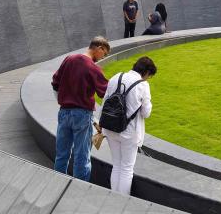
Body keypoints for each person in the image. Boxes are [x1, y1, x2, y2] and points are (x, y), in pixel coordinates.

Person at [51, 36, 110, 181]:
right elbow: (105, 93)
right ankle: (79, 191)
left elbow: (55, 83)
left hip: (64, 112)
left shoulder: (69, 59)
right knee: (82, 157)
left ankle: (58, 185)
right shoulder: (93, 68)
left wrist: (63, 100)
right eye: (105, 53)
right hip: (82, 115)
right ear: (99, 48)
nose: (103, 57)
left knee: (61, 155)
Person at [101, 56, 156, 195]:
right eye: (149, 76)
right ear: (146, 72)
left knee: (117, 165)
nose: (148, 79)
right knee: (127, 169)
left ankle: (114, 197)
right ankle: (122, 201)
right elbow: (146, 112)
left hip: (110, 127)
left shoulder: (115, 77)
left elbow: (104, 103)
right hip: (129, 132)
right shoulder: (143, 85)